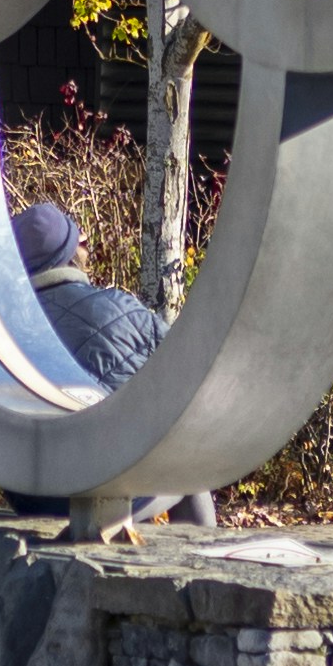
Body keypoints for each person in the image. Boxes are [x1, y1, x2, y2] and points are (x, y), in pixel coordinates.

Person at [12, 197, 215, 530]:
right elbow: (187, 384)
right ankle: (205, 566)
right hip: (112, 489)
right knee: (186, 468)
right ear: (70, 254)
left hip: (30, 494)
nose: (89, 248)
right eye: (83, 241)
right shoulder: (122, 308)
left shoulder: (4, 329)